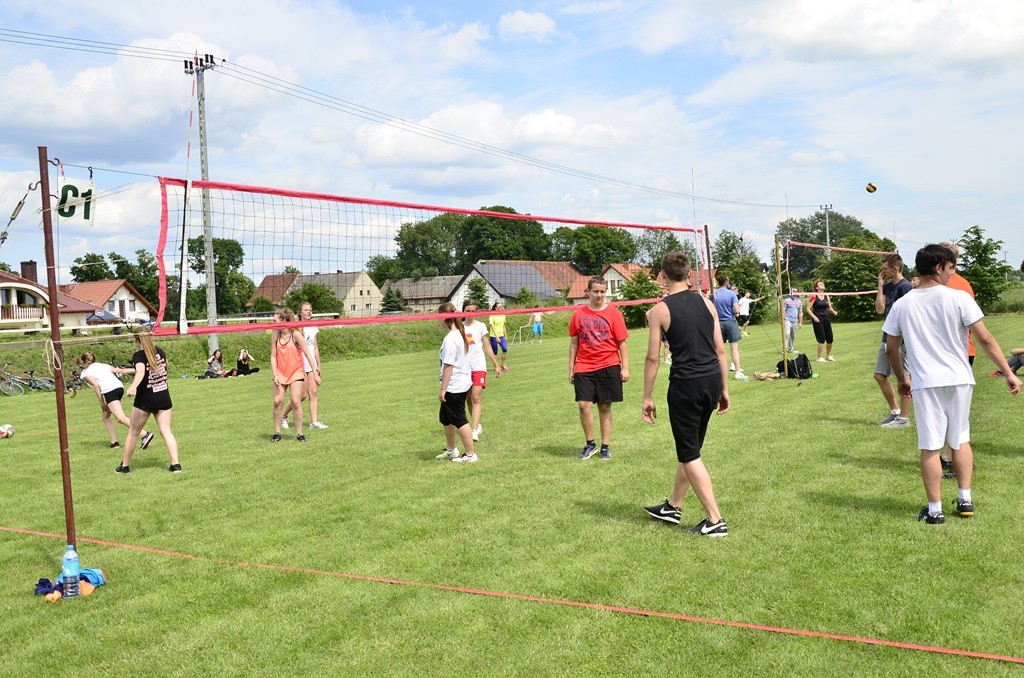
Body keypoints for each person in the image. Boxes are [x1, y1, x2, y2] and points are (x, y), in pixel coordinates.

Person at [883, 244, 1021, 524]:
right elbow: (985, 339)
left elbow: (891, 347)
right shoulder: (959, 298)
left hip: (926, 383)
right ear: (938, 267)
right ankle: (965, 499)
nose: (952, 274)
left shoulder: (902, 304)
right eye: (950, 268)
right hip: (959, 379)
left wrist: (901, 379)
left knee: (931, 447)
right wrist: (1008, 372)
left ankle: (935, 511)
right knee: (960, 439)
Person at [642, 253, 730, 536]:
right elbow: (720, 350)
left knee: (690, 453)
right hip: (711, 381)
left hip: (686, 385)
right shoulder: (707, 303)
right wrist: (724, 389)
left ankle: (715, 520)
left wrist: (647, 397)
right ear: (689, 273)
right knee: (690, 447)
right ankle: (672, 506)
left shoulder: (658, 311)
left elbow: (653, 359)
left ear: (662, 276)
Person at [569, 276, 629, 460]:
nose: (599, 295)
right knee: (583, 405)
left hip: (609, 364)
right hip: (584, 366)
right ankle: (590, 444)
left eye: (602, 291)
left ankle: (605, 446)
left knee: (604, 406)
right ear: (587, 292)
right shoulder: (578, 315)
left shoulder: (614, 314)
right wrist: (571, 368)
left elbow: (622, 343)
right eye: (596, 291)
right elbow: (573, 344)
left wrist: (625, 367)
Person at [115, 328, 181, 474]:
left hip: (146, 399)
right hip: (163, 396)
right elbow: (160, 368)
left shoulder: (138, 355)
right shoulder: (160, 351)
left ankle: (124, 466)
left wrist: (132, 387)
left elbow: (141, 372)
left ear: (136, 340)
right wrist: (128, 370)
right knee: (166, 431)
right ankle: (175, 464)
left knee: (133, 432)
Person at [78, 352, 154, 450]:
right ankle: (114, 442)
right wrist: (139, 370)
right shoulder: (102, 365)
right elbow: (121, 371)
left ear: (83, 361)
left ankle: (145, 434)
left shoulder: (85, 373)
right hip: (119, 388)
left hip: (110, 391)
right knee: (106, 416)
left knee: (121, 417)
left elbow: (96, 386)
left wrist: (102, 404)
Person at [434, 302, 478, 463]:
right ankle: (451, 450)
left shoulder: (452, 339)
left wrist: (442, 389)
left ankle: (470, 454)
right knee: (445, 418)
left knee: (459, 419)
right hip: (461, 382)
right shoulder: (460, 334)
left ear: (444, 317)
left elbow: (448, 366)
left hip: (455, 385)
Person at [874, 253, 914, 429]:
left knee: (904, 378)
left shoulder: (906, 288)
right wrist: (880, 287)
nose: (882, 272)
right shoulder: (888, 286)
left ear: (895, 267)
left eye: (885, 268)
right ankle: (895, 411)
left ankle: (904, 419)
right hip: (888, 336)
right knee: (879, 375)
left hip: (902, 339)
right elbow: (880, 310)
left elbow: (911, 316)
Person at [269, 308, 319, 443]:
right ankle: (277, 432)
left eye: (275, 321)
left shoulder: (296, 334)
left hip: (296, 371)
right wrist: (275, 374)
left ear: (284, 321)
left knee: (296, 402)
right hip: (280, 371)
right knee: (277, 401)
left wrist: (315, 373)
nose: (273, 323)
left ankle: (299, 434)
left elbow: (308, 354)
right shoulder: (275, 334)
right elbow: (273, 356)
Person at [281, 302, 328, 430]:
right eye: (306, 310)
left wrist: (319, 365)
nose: (309, 312)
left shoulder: (312, 327)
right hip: (300, 364)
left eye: (310, 310)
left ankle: (314, 422)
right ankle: (283, 415)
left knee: (314, 392)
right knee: (302, 396)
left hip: (311, 364)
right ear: (300, 312)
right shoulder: (296, 327)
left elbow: (315, 348)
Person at [462, 299, 502, 442]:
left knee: (476, 398)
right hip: (464, 368)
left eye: (474, 311)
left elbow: (488, 347)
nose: (471, 314)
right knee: (467, 398)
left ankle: (473, 431)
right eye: (468, 311)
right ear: (463, 311)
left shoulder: (481, 326)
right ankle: (477, 424)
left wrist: (496, 365)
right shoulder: (459, 327)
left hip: (479, 366)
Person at [712, 275, 748, 381]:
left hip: (717, 323)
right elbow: (737, 310)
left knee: (718, 350)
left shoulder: (714, 293)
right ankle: (737, 371)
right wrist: (736, 311)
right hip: (730, 322)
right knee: (734, 349)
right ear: (726, 282)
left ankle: (718, 372)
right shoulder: (732, 294)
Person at [805, 278, 837, 362]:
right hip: (817, 318)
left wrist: (833, 311)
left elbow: (829, 307)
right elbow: (808, 309)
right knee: (821, 338)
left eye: (822, 284)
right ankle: (819, 358)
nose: (822, 285)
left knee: (830, 338)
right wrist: (814, 317)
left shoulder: (826, 295)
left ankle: (828, 356)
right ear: (816, 287)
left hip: (826, 317)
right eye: (820, 284)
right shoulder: (814, 296)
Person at [487, 301, 510, 371]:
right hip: (493, 336)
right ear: (495, 308)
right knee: (495, 351)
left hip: (501, 335)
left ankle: (503, 364)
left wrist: (505, 336)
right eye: (499, 307)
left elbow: (503, 326)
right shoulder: (492, 316)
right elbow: (492, 326)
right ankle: (496, 366)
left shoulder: (503, 315)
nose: (501, 308)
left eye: (501, 306)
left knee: (505, 349)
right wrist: (496, 336)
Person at [782, 289, 803, 353]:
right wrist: (783, 320)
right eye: (793, 291)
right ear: (790, 293)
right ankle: (784, 349)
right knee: (787, 334)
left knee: (793, 336)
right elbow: (783, 311)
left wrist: (800, 322)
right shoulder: (787, 301)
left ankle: (791, 349)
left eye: (796, 291)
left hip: (795, 321)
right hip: (787, 319)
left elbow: (800, 313)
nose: (795, 292)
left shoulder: (799, 301)